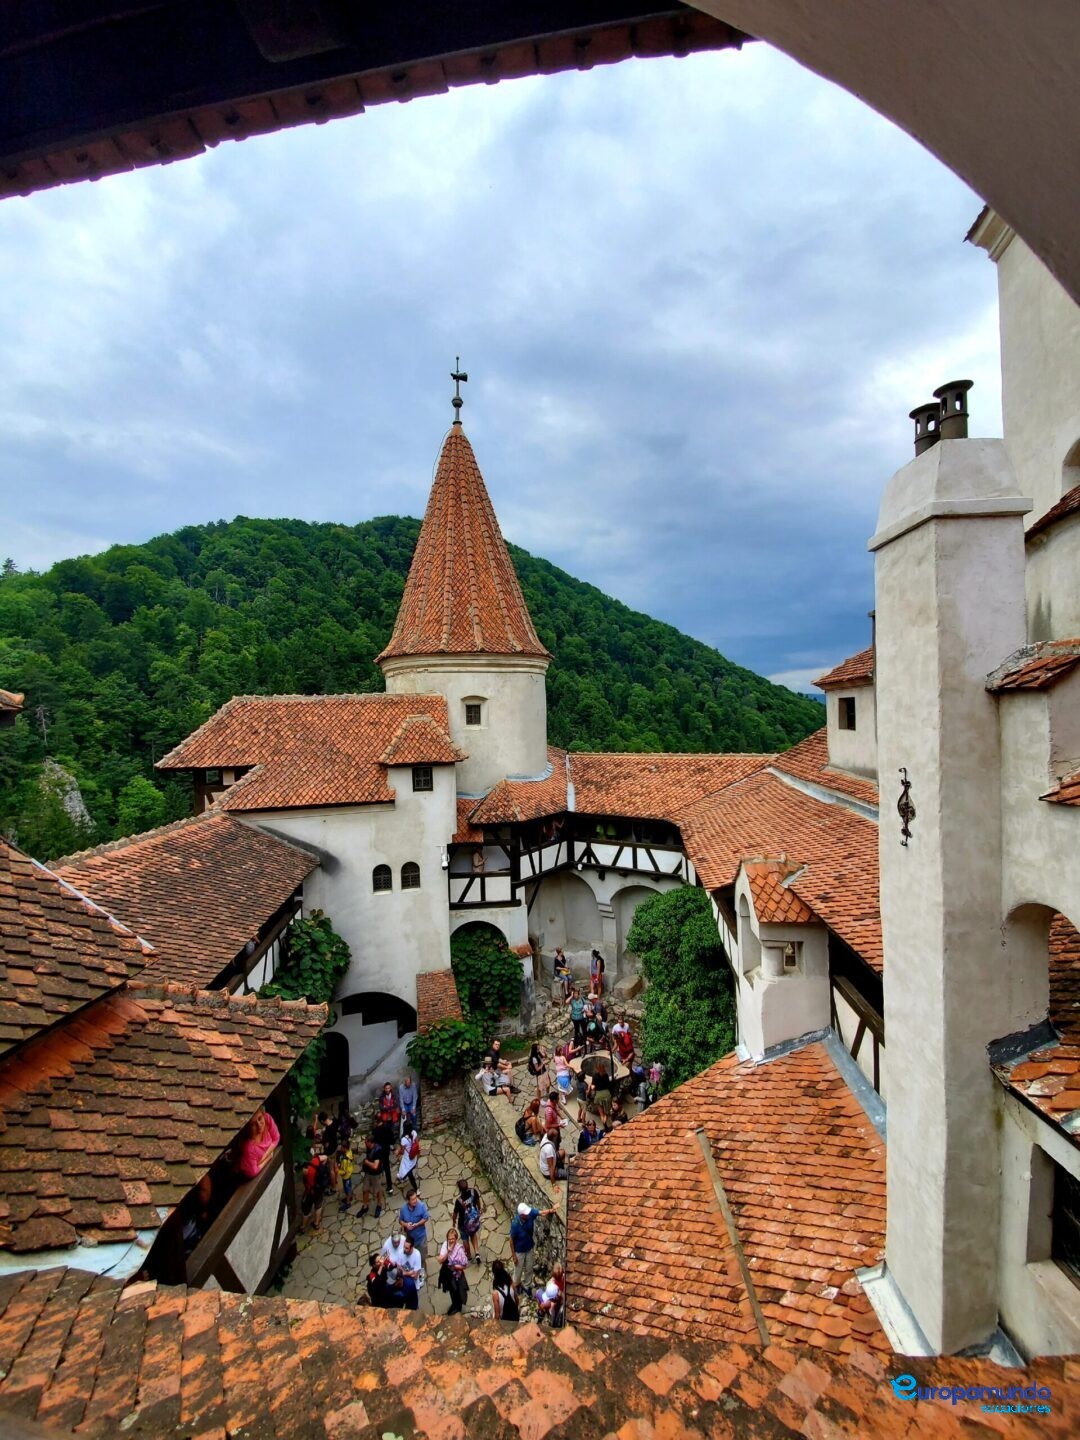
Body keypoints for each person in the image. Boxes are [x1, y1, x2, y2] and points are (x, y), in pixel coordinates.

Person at [509, 1200, 556, 1290]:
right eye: (526, 1214)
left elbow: (540, 1213)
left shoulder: (530, 1214)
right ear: (521, 1215)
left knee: (529, 1268)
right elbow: (511, 1241)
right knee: (518, 1270)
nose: (528, 1214)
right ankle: (516, 1284)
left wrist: (550, 1210)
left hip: (529, 1247)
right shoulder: (515, 1225)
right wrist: (514, 1256)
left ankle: (527, 1285)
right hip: (519, 1251)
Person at [234, 1108, 280, 1180]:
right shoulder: (249, 1147)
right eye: (253, 1124)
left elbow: (276, 1138)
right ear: (247, 1127)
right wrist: (268, 1158)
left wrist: (263, 1157)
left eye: (260, 1118)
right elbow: (253, 1172)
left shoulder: (267, 1119)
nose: (259, 1125)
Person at [438, 1228, 471, 1314]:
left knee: (458, 1292)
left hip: (457, 1275)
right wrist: (448, 1252)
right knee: (451, 1291)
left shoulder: (459, 1250)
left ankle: (458, 1308)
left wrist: (455, 1267)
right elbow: (440, 1260)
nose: (451, 1241)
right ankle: (454, 1305)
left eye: (453, 1239)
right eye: (449, 1239)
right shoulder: (445, 1245)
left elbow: (465, 1265)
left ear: (456, 1239)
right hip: (447, 1274)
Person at [453, 1177, 484, 1263]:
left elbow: (455, 1213)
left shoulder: (459, 1201)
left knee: (465, 1239)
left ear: (459, 1189)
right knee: (473, 1234)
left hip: (463, 1223)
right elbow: (478, 1201)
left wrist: (453, 1221)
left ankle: (469, 1255)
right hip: (473, 1221)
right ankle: (477, 1253)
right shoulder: (473, 1192)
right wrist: (480, 1208)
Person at [374, 1084, 399, 1196]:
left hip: (379, 1150)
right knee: (386, 1167)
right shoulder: (386, 1130)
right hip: (385, 1149)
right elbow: (391, 1140)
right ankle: (389, 1187)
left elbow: (394, 1105)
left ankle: (377, 1184)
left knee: (379, 1166)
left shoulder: (375, 1131)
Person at [399, 1187, 430, 1266]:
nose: (415, 1200)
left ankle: (423, 1273)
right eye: (413, 1199)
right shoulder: (403, 1209)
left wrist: (417, 1224)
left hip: (420, 1238)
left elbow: (426, 1218)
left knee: (422, 1258)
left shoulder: (421, 1206)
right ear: (408, 1201)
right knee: (410, 1257)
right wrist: (406, 1225)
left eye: (416, 1198)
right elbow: (400, 1221)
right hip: (410, 1239)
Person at [357, 1134, 386, 1218]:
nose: (365, 1143)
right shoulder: (369, 1148)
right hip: (368, 1173)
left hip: (376, 1174)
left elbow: (375, 1166)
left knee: (377, 1190)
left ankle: (379, 1205)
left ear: (370, 1142)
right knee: (365, 1190)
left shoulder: (378, 1150)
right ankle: (365, 1206)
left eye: (366, 1142)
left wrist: (366, 1162)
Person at [301, 1148, 330, 1232]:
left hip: (309, 1191)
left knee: (305, 1210)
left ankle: (303, 1227)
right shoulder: (316, 1160)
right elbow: (325, 1157)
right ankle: (316, 1223)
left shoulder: (305, 1169)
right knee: (318, 1206)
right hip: (319, 1189)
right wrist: (323, 1165)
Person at [587, 1059, 613, 1124]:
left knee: (599, 1105)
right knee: (607, 1106)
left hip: (598, 1094)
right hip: (607, 1093)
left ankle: (602, 1116)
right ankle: (606, 1115)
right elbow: (608, 1085)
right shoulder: (606, 1075)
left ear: (597, 1069)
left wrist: (590, 1086)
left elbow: (593, 1085)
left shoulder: (595, 1076)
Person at [338, 1138, 355, 1210]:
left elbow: (344, 1171)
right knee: (349, 1186)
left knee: (347, 1188)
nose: (341, 1148)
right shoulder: (349, 1152)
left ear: (345, 1148)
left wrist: (338, 1170)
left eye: (342, 1147)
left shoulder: (345, 1159)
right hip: (349, 1172)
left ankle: (348, 1202)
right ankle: (350, 1197)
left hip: (346, 1176)